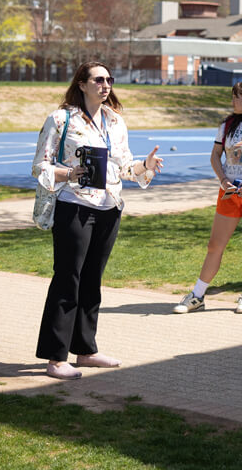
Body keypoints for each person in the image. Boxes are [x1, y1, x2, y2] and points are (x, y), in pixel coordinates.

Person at [32, 61, 164, 380]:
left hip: (109, 206)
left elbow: (121, 168)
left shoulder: (115, 121)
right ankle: (55, 357)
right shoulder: (61, 119)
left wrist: (144, 165)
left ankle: (86, 351)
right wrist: (67, 173)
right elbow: (40, 166)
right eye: (98, 79)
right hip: (74, 204)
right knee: (69, 278)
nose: (106, 85)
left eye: (109, 80)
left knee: (92, 280)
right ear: (81, 84)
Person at [173, 81, 242, 316]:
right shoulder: (226, 126)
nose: (233, 101)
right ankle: (197, 295)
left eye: (237, 97)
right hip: (229, 193)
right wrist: (223, 180)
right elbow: (215, 156)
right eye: (233, 96)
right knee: (215, 245)